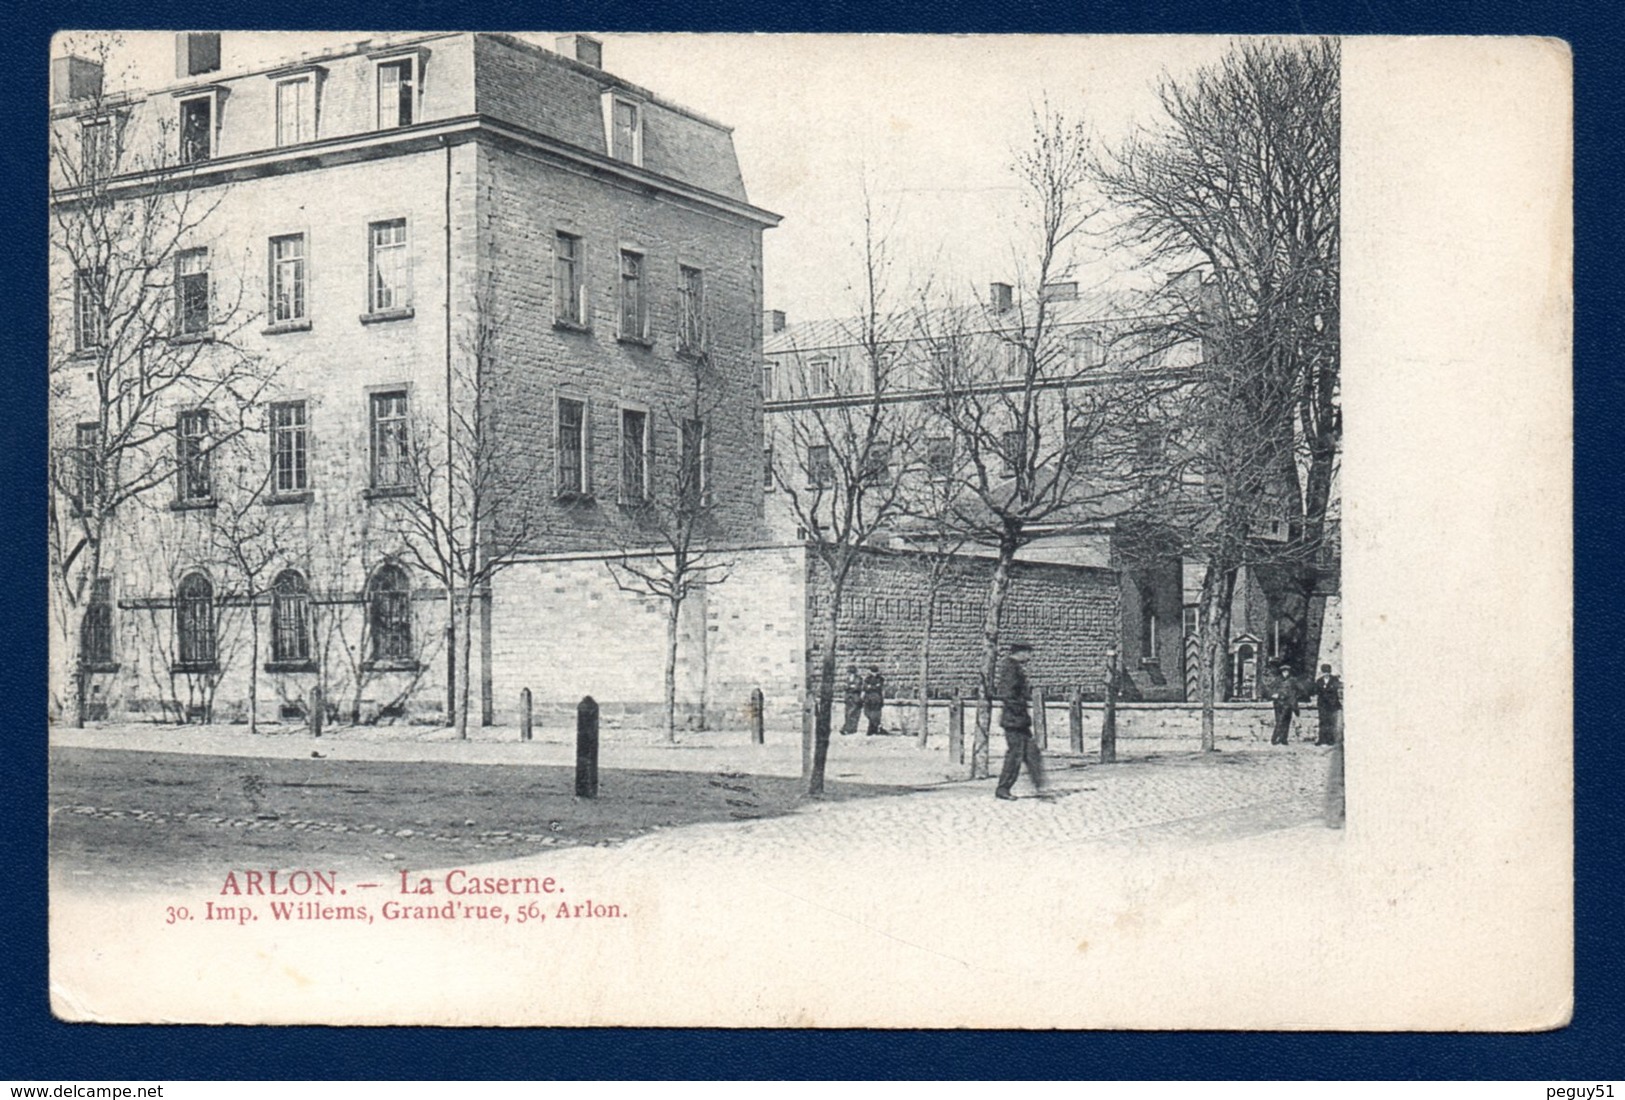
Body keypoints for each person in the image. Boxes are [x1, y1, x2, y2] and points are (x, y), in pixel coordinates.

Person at [994, 642, 1049, 800]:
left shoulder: (1014, 667)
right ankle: (1003, 789)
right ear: (1020, 653)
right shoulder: (1010, 669)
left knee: (1032, 752)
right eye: (1028, 653)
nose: (1030, 657)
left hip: (1019, 720)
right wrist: (1018, 712)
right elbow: (1007, 694)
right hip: (1014, 720)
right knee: (1015, 755)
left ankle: (1040, 787)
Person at [1314, 663, 1343, 746]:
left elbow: (1333, 690)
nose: (1326, 674)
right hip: (1322, 704)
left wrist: (1325, 689)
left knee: (1330, 722)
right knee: (1322, 721)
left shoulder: (1334, 680)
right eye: (1324, 672)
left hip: (1331, 704)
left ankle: (1330, 740)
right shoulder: (1319, 681)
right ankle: (1321, 739)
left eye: (1327, 672)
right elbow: (1317, 691)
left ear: (1330, 672)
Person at [1269, 663, 1299, 745]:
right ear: (1281, 672)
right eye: (1284, 672)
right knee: (1279, 721)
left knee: (1287, 721)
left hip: (1288, 703)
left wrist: (1295, 700)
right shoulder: (1277, 680)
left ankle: (1284, 739)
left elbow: (1298, 691)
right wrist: (1274, 694)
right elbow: (1270, 689)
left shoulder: (1293, 680)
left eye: (1287, 672)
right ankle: (1274, 739)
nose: (1286, 673)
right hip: (1279, 703)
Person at [861, 665, 887, 736]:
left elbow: (880, 688)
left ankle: (872, 729)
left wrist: (871, 687)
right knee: (867, 713)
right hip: (868, 698)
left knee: (875, 714)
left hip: (877, 698)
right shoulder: (867, 679)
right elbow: (865, 688)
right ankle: (877, 727)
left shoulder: (880, 679)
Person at [841, 665, 862, 735]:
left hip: (855, 698)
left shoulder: (858, 678)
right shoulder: (847, 679)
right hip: (848, 698)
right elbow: (844, 687)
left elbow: (857, 687)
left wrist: (850, 687)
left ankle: (851, 728)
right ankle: (847, 727)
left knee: (853, 713)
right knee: (847, 713)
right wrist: (850, 686)